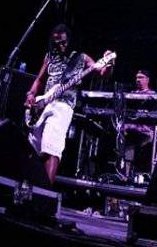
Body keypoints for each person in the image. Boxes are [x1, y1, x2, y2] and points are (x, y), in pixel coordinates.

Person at [25, 24, 115, 186]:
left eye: (64, 42)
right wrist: (31, 94)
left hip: (63, 106)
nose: (61, 46)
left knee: (51, 149)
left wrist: (109, 64)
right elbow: (39, 80)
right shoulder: (49, 57)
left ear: (70, 40)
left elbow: (102, 74)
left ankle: (45, 194)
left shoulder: (81, 58)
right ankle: (30, 188)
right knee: (34, 150)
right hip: (43, 105)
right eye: (57, 42)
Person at [121, 69, 157, 180]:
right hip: (129, 132)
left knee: (141, 148)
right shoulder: (131, 94)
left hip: (145, 132)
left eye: (141, 77)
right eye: (136, 78)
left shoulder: (152, 95)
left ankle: (141, 176)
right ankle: (125, 176)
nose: (138, 80)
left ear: (147, 80)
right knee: (127, 148)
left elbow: (156, 116)